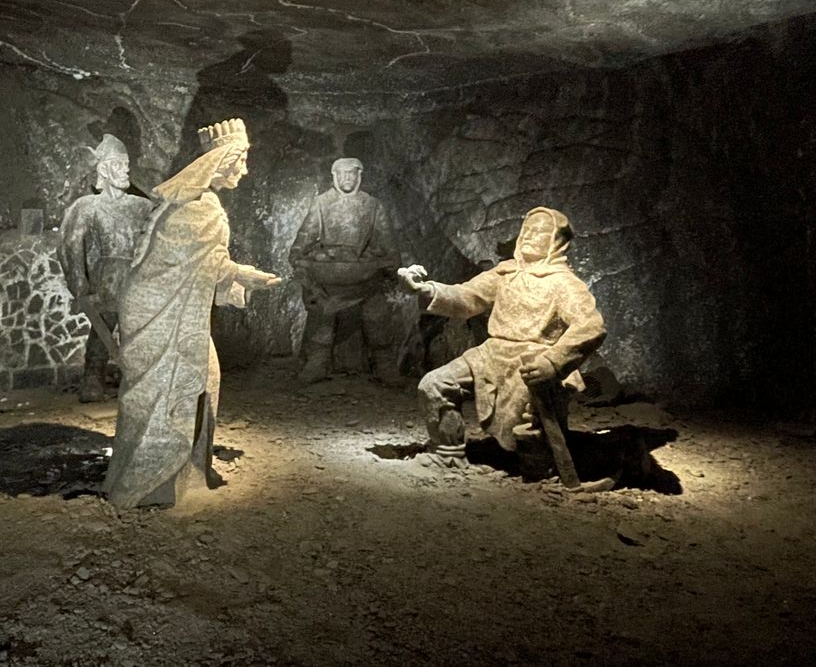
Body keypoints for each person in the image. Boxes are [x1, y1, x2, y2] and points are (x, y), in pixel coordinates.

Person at [103, 118, 281, 508]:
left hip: (169, 308)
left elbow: (200, 261)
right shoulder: (197, 207)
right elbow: (182, 265)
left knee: (204, 379)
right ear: (223, 160)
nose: (245, 170)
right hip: (159, 314)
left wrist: (237, 274)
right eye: (242, 160)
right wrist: (240, 274)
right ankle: (149, 484)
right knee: (163, 394)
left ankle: (188, 473)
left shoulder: (199, 202)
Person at [399, 207, 605, 468]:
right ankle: (448, 453)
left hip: (534, 361)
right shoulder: (506, 273)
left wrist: (552, 362)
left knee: (529, 431)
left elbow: (590, 326)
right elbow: (467, 297)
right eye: (527, 229)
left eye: (540, 231)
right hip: (491, 354)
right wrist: (425, 289)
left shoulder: (564, 283)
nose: (529, 235)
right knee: (435, 385)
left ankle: (541, 466)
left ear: (556, 241)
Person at [58, 134, 154, 402]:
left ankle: (138, 380)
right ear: (103, 170)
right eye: (118, 164)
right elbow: (71, 244)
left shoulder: (142, 206)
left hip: (137, 278)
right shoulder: (88, 207)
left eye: (126, 164)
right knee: (101, 332)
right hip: (107, 280)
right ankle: (93, 378)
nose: (125, 170)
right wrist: (79, 284)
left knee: (137, 331)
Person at [290, 158, 400, 383]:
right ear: (334, 176)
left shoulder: (372, 205)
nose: (346, 177)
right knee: (322, 312)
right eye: (341, 173)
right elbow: (302, 242)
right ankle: (317, 362)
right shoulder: (321, 203)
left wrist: (389, 264)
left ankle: (384, 363)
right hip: (328, 280)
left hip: (364, 279)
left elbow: (388, 242)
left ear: (359, 176)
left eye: (351, 173)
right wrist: (301, 261)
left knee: (376, 313)